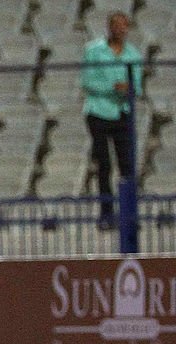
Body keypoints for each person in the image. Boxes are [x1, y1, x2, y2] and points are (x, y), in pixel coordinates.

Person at [81, 11, 143, 228]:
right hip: (98, 112)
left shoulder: (133, 55)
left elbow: (138, 86)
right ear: (109, 27)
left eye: (124, 25)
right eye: (116, 25)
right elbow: (88, 82)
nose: (120, 29)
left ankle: (129, 215)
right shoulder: (93, 51)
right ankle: (106, 215)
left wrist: (128, 89)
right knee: (104, 165)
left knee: (127, 166)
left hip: (122, 113)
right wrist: (113, 88)